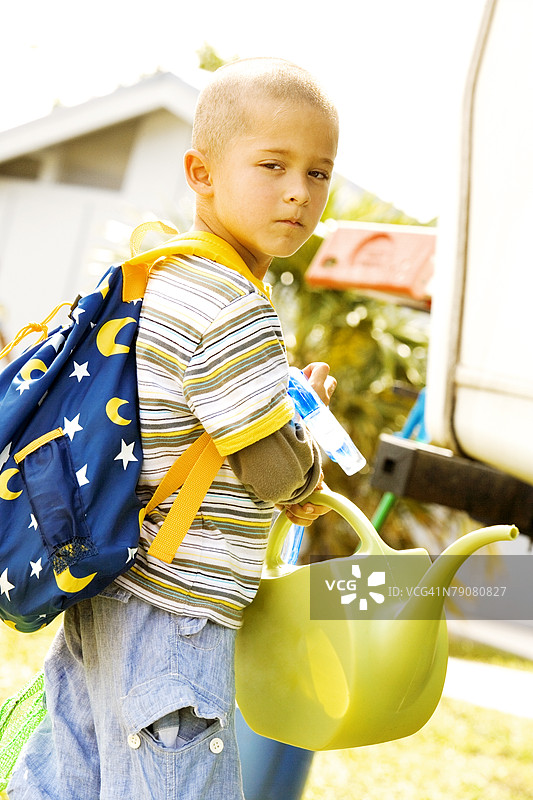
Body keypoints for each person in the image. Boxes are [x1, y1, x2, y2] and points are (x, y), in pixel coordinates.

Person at [8, 57, 339, 800]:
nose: (298, 190)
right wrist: (307, 454)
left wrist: (280, 416)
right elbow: (271, 468)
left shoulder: (161, 274)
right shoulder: (231, 301)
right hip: (175, 615)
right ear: (202, 171)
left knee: (67, 783)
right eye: (272, 165)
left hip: (107, 591)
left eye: (318, 173)